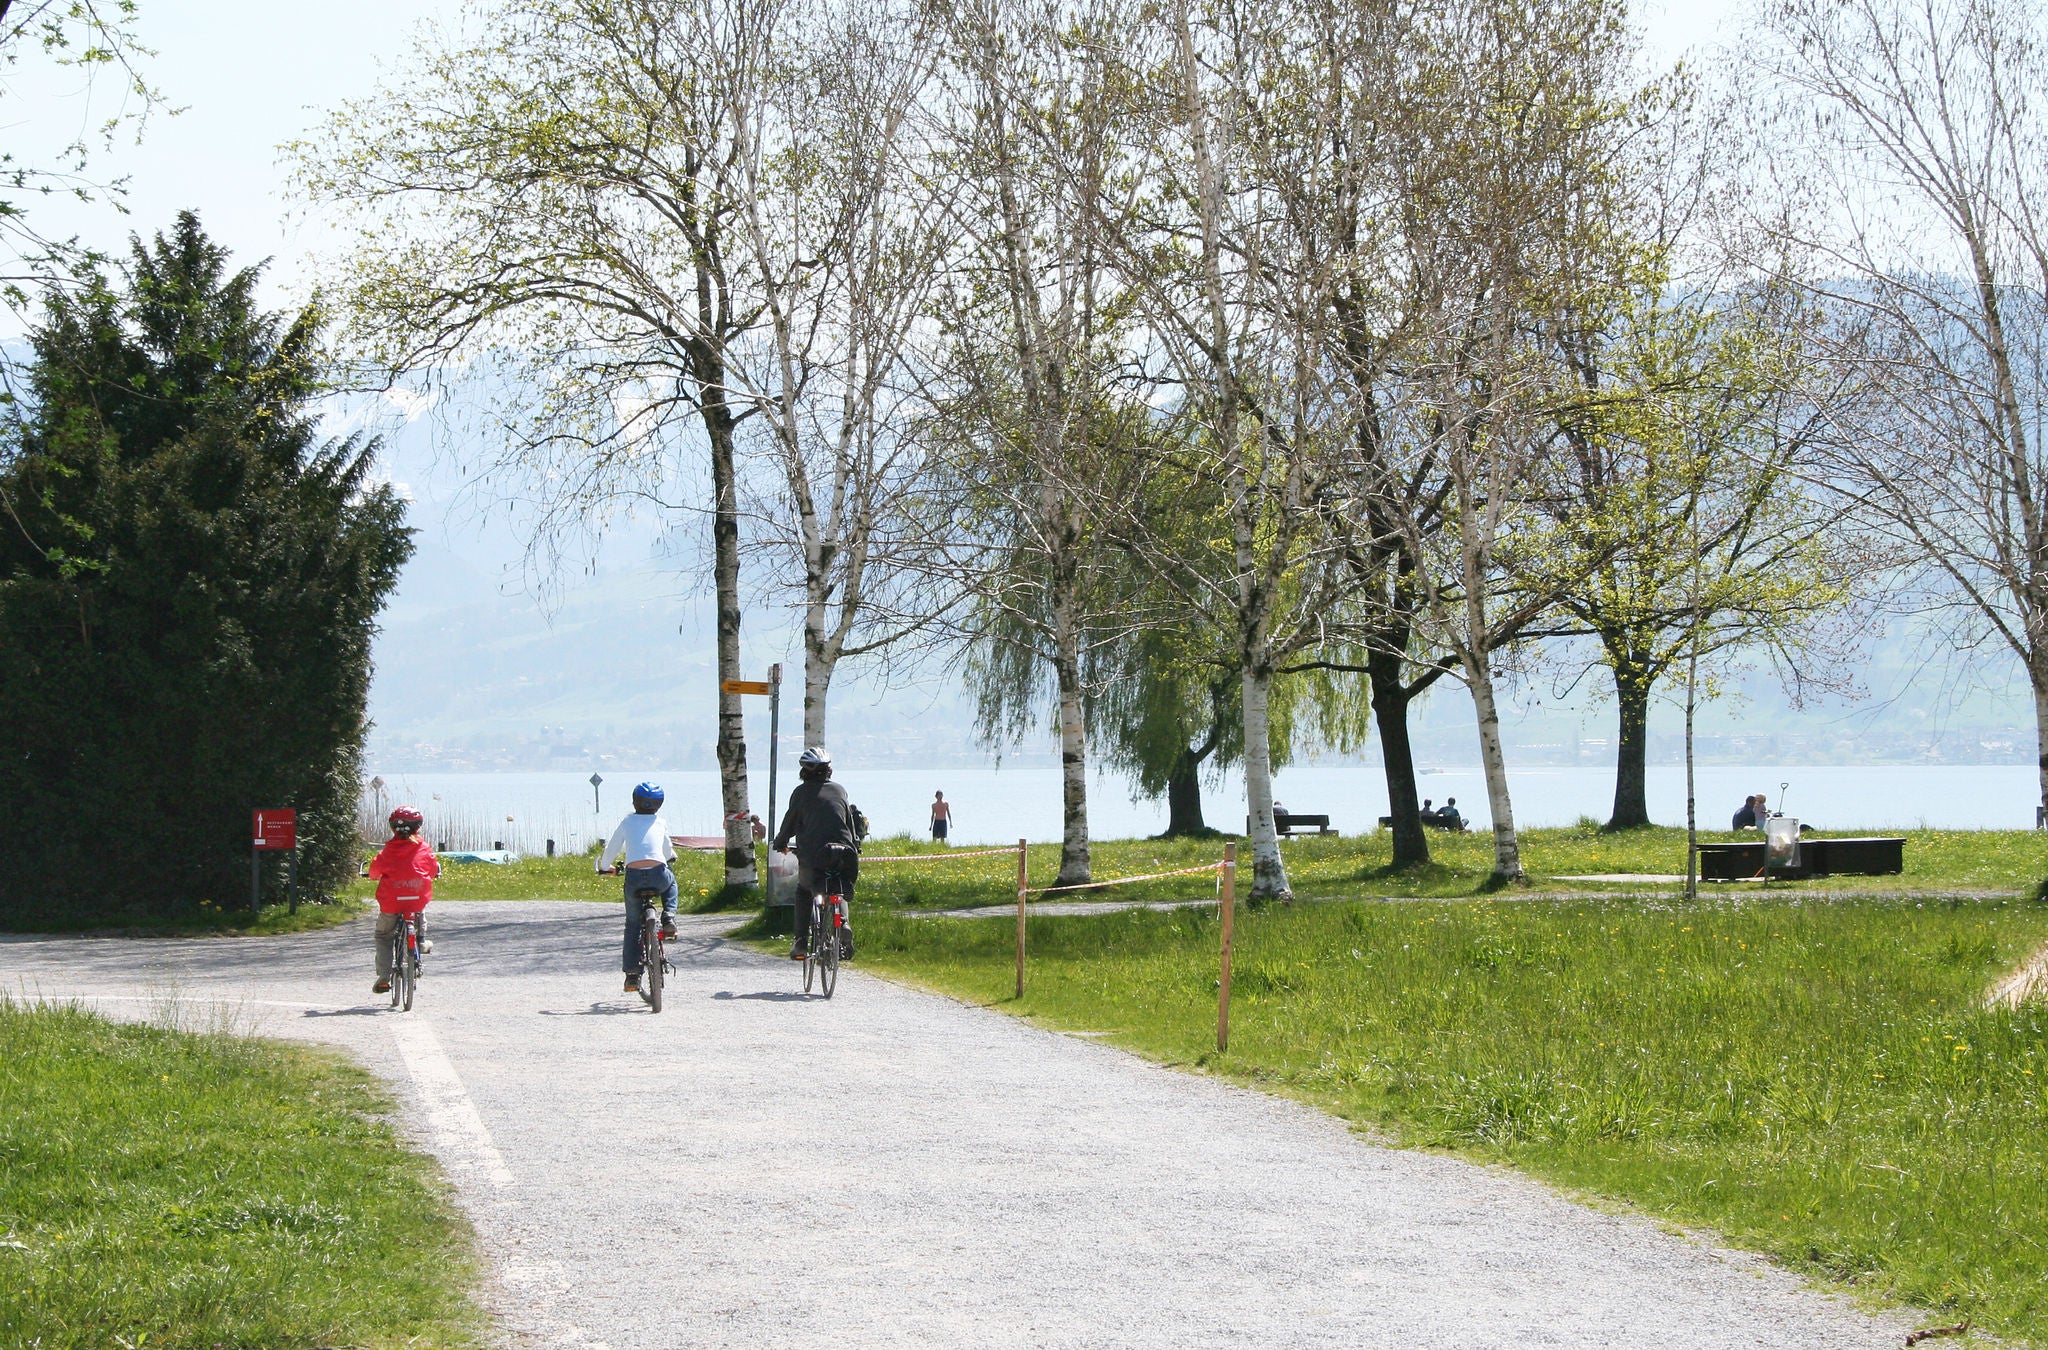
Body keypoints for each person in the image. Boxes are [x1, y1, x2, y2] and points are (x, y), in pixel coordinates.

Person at [773, 746, 861, 962]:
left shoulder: (801, 793)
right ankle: (844, 925)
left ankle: (801, 942)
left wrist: (781, 843)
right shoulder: (840, 790)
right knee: (837, 889)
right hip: (845, 854)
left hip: (814, 856)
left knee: (804, 891)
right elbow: (849, 825)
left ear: (804, 772)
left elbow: (789, 824)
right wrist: (855, 846)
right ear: (828, 770)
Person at [597, 782, 679, 994]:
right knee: (671, 883)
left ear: (634, 801)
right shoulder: (660, 823)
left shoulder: (627, 822)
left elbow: (612, 848)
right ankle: (669, 916)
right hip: (658, 873)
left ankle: (632, 975)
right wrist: (670, 857)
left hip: (633, 877)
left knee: (632, 925)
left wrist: (605, 867)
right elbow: (667, 849)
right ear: (659, 805)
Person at [367, 805, 439, 995]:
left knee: (383, 936)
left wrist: (371, 874)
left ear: (393, 828)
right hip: (416, 899)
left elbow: (374, 873)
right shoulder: (424, 848)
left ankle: (384, 976)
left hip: (391, 902)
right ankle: (421, 940)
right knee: (419, 908)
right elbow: (432, 870)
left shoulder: (388, 851)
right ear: (418, 827)